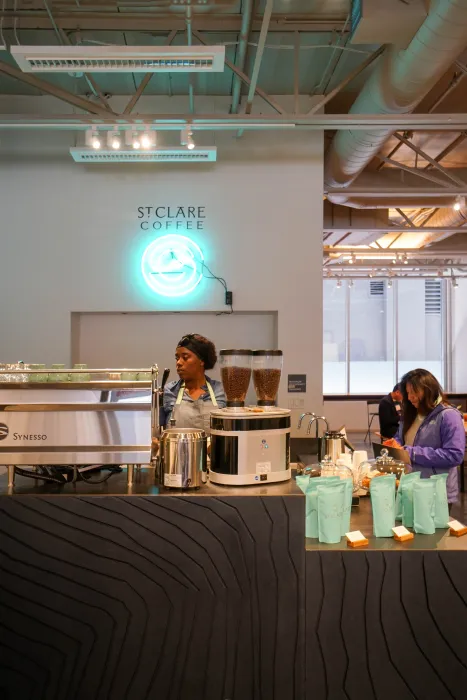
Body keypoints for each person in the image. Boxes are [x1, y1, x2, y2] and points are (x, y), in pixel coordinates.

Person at [384, 368, 465, 506]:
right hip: (409, 485)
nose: (410, 397)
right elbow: (401, 437)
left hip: (435, 491)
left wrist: (410, 452)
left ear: (428, 390)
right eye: (408, 393)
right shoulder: (411, 413)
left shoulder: (448, 415)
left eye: (414, 392)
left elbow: (454, 455)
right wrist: (395, 444)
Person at [162, 333, 226, 433]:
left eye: (185, 357)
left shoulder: (219, 391)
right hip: (177, 448)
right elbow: (158, 430)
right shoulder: (170, 391)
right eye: (177, 358)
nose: (178, 363)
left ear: (202, 361)